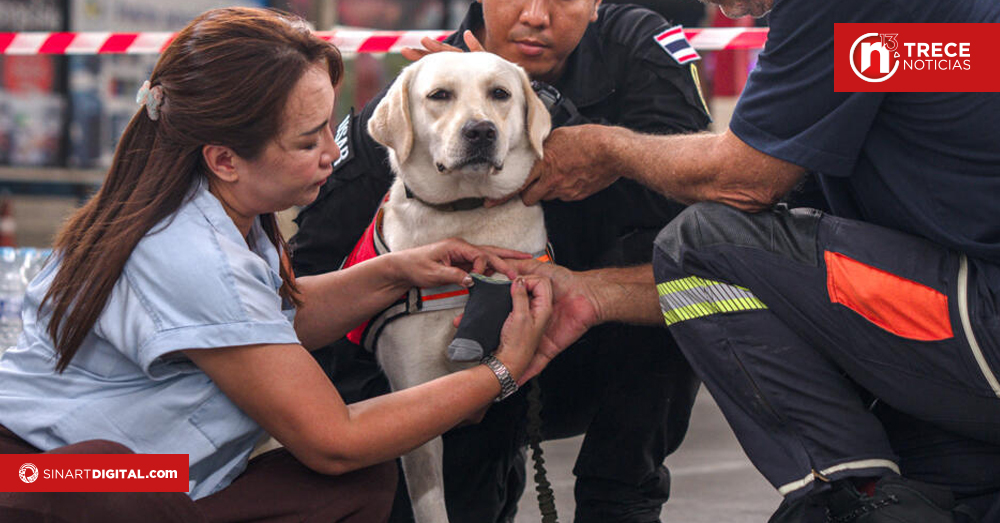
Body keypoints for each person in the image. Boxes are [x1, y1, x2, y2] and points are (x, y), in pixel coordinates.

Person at [0, 8, 553, 523]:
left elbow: (265, 324)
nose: (331, 153)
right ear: (225, 159)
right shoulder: (188, 251)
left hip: (154, 471)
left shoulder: (215, 209)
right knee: (121, 482)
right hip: (39, 470)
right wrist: (500, 371)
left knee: (355, 486)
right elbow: (335, 440)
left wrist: (397, 271)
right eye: (307, 139)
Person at [508, 0, 1000, 520]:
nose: (715, 6)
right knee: (941, 493)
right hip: (967, 329)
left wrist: (608, 149)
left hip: (979, 315)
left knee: (700, 240)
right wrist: (594, 293)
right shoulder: (901, 37)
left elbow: (740, 181)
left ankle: (851, 495)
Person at [290, 0, 711, 521]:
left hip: (593, 346)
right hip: (444, 379)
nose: (536, 14)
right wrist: (378, 411)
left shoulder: (637, 49)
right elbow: (306, 278)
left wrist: (597, 146)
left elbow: (699, 196)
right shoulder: (422, 87)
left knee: (687, 258)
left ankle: (621, 501)